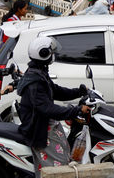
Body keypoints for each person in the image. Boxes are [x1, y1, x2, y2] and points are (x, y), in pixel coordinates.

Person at [18, 36, 90, 176]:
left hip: (44, 122)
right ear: (43, 54)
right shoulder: (36, 81)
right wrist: (76, 110)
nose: (53, 55)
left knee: (64, 155)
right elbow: (47, 109)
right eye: (50, 52)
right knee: (59, 165)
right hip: (39, 127)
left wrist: (79, 91)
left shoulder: (39, 72)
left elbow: (55, 90)